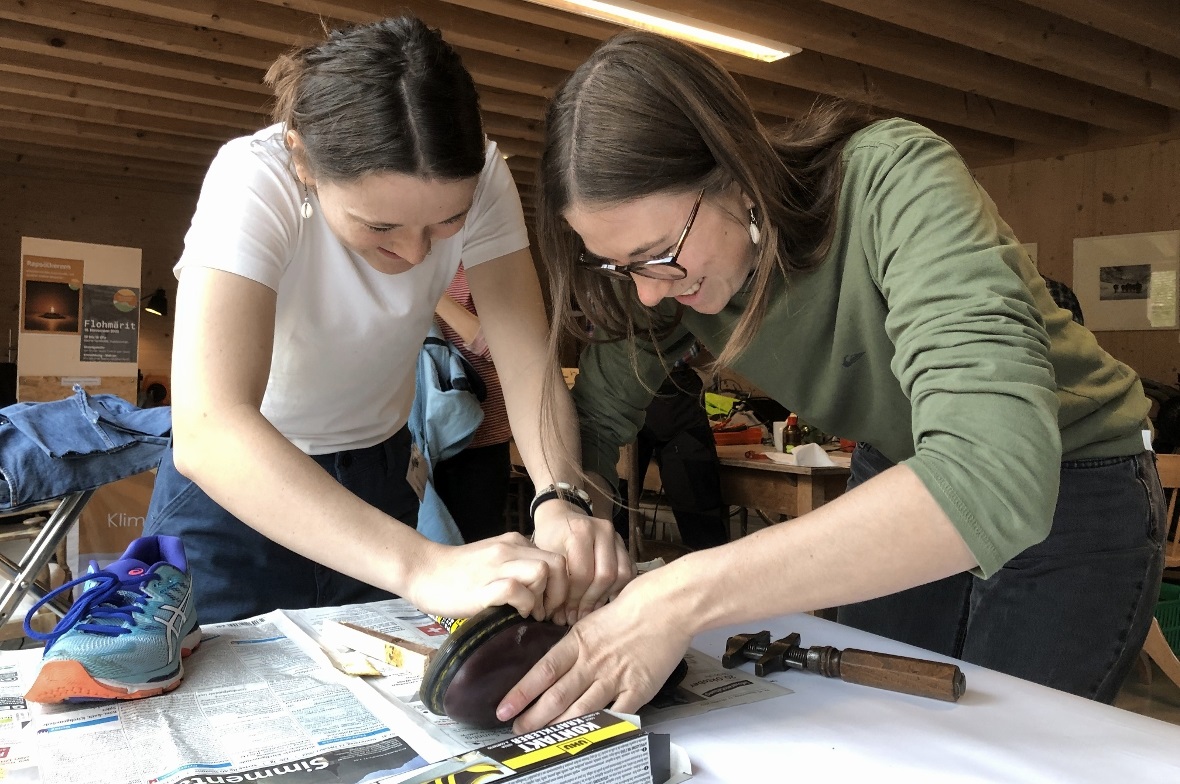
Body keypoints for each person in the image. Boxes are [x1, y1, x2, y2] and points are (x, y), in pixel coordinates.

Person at [497, 31, 1165, 731]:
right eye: (620, 267)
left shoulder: (891, 179)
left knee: (1009, 745)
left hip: (1071, 475)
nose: (647, 293)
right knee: (878, 727)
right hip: (897, 463)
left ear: (734, 169)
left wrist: (680, 595)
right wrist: (565, 510)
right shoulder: (669, 282)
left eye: (658, 254)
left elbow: (991, 474)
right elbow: (593, 422)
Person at [144, 16, 630, 626]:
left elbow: (527, 359)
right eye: (380, 226)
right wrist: (424, 566)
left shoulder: (485, 175)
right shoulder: (253, 177)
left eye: (446, 222)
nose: (416, 255)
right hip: (237, 487)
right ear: (303, 161)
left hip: (379, 474)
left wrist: (559, 497)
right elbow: (210, 428)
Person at [433, 262, 515, 543]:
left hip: (479, 437)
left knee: (478, 541)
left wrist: (431, 292)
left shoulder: (480, 266)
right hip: (421, 436)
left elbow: (501, 348)